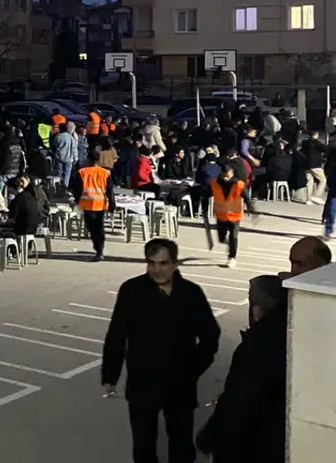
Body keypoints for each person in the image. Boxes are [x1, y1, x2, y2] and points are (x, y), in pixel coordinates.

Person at [102, 238, 220, 463]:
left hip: (180, 383)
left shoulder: (191, 293)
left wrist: (193, 369)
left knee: (181, 442)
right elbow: (117, 334)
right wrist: (110, 374)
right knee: (143, 443)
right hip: (142, 380)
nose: (157, 269)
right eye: (152, 263)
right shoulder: (131, 291)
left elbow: (210, 335)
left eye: (163, 263)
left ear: (175, 263)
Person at [196, 275, 287, 462]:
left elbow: (239, 400)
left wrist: (210, 437)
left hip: (252, 443)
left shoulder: (258, 344)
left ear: (257, 308)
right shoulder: (288, 332)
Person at [71, 150, 114, 262]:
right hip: (100, 204)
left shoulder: (82, 172)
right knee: (99, 227)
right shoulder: (105, 173)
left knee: (92, 228)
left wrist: (77, 201)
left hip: (87, 205)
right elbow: (110, 190)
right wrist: (112, 205)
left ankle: (98, 249)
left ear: (88, 160)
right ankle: (100, 249)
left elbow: (77, 189)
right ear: (99, 160)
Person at [210, 162, 255, 268]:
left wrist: (251, 208)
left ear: (232, 172)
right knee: (221, 238)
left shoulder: (239, 184)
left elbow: (247, 197)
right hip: (221, 215)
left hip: (235, 215)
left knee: (233, 236)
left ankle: (232, 257)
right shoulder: (215, 183)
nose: (226, 175)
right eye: (224, 173)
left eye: (228, 172)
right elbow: (208, 193)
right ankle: (230, 244)